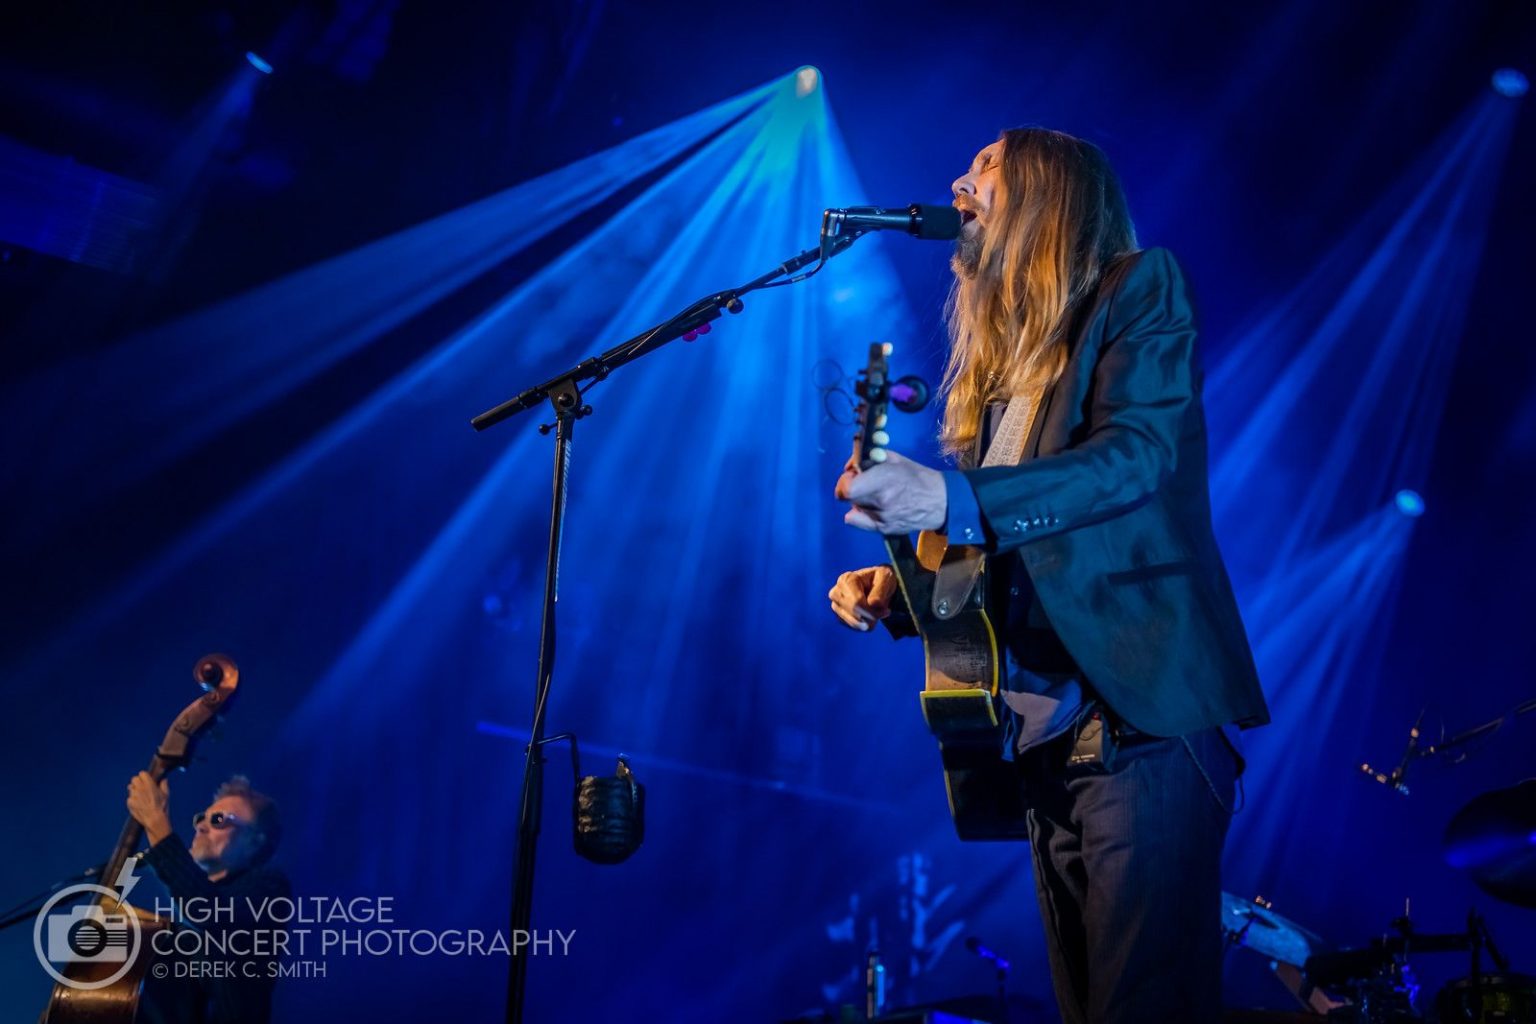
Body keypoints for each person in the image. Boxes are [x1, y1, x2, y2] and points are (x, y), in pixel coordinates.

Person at [828, 128, 1270, 1024]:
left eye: (987, 164)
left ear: (1049, 194)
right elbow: (1009, 552)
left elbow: (1134, 461)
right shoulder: (1000, 381)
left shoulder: (1139, 289)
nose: (958, 177)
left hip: (1136, 725)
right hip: (1040, 745)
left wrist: (948, 499)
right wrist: (903, 593)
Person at [125, 773, 290, 1024]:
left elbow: (210, 910)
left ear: (255, 841)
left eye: (219, 820)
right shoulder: (179, 922)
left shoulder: (268, 887)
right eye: (202, 818)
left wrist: (156, 821)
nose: (201, 825)